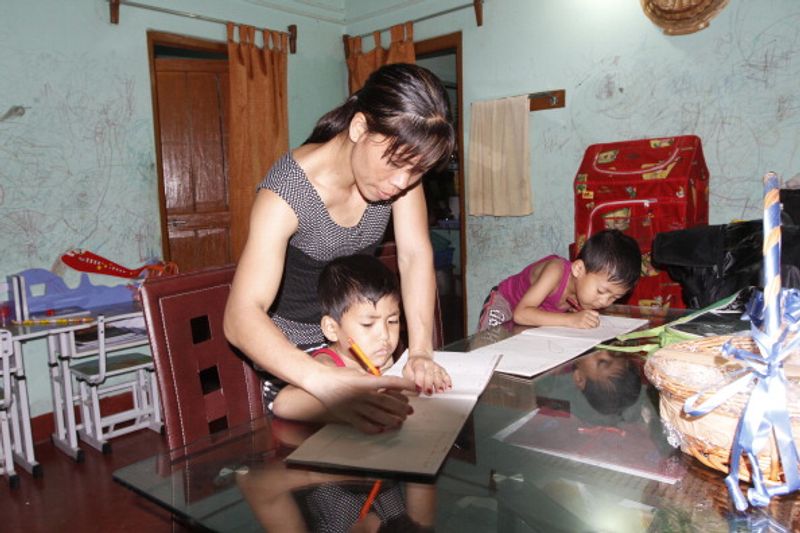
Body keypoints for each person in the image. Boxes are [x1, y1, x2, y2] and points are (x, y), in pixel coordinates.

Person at [224, 63, 456, 434]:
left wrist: (420, 352)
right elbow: (240, 316)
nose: (402, 183)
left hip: (357, 338)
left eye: (417, 171)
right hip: (296, 355)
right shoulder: (287, 193)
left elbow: (414, 257)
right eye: (396, 163)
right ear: (360, 127)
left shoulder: (400, 176)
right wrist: (323, 381)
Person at [272, 254, 422, 423]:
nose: (385, 335)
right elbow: (282, 404)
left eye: (392, 321)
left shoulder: (382, 358)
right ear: (332, 328)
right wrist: (345, 404)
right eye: (367, 324)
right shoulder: (326, 364)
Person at [477, 229, 641, 331]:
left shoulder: (584, 294)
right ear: (578, 269)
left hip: (533, 317)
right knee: (487, 347)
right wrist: (571, 320)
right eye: (601, 291)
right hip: (506, 303)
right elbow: (521, 314)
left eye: (614, 297)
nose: (604, 302)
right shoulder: (555, 271)